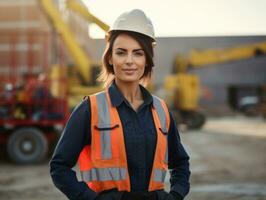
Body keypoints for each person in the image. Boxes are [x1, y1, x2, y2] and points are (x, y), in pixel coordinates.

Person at [50, 9, 190, 200]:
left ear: (147, 60)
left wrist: (175, 195)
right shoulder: (90, 109)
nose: (129, 61)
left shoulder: (161, 110)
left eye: (138, 53)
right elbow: (59, 167)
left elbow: (180, 162)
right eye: (121, 53)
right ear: (110, 57)